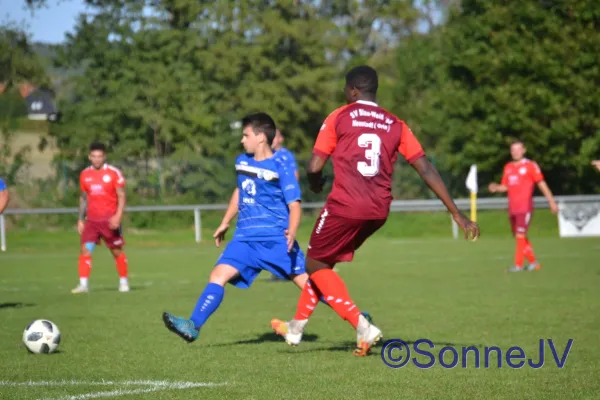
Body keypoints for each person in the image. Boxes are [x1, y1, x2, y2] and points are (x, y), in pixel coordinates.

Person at [271, 65, 480, 356]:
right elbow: (425, 167)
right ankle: (296, 327)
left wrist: (316, 183)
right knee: (324, 266)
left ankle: (363, 326)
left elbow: (314, 166)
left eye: (346, 89)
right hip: (378, 210)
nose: (345, 94)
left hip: (345, 205)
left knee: (313, 265)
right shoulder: (395, 123)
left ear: (354, 90)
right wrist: (455, 212)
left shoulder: (340, 116)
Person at [488, 140, 558, 272]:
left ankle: (518, 265)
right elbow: (506, 186)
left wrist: (551, 201)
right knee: (520, 236)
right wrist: (496, 187)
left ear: (524, 150)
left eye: (518, 149)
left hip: (525, 207)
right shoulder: (508, 167)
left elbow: (541, 183)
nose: (515, 152)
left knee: (520, 235)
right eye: (513, 150)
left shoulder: (530, 165)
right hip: (513, 208)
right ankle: (534, 263)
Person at [72, 142, 129, 293]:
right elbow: (83, 198)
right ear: (89, 157)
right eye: (94, 156)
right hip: (91, 221)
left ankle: (124, 281)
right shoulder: (85, 174)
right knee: (85, 250)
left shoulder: (113, 173)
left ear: (104, 157)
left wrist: (118, 216)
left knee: (116, 251)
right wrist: (80, 218)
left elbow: (122, 196)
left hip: (109, 220)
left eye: (100, 156)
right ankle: (83, 285)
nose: (97, 159)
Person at [269, 128, 300, 282]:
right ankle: (282, 269)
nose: (273, 139)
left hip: (283, 201)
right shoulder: (267, 155)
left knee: (285, 232)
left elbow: (294, 176)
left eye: (275, 137)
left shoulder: (286, 155)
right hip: (272, 202)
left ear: (280, 139)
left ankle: (289, 268)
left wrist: (290, 196)